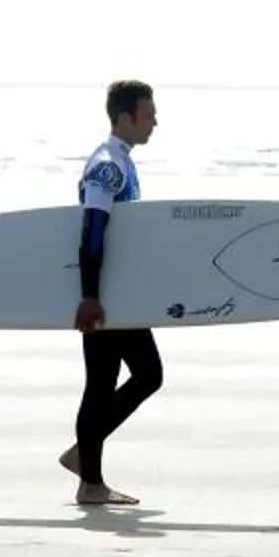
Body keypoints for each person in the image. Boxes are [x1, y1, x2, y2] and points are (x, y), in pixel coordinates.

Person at [58, 79, 161, 506]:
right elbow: (92, 230)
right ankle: (87, 465)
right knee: (146, 375)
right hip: (108, 296)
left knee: (102, 385)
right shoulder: (107, 166)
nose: (155, 121)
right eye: (148, 114)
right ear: (125, 117)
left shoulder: (120, 161)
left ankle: (89, 474)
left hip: (114, 292)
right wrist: (90, 296)